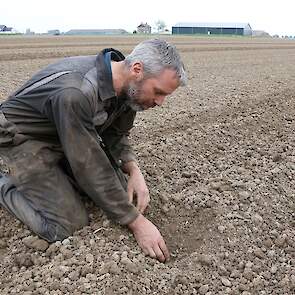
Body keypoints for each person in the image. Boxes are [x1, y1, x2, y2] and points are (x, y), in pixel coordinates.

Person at [0, 38, 186, 262]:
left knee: (121, 193)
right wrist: (137, 223)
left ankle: (59, 176)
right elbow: (87, 163)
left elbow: (116, 135)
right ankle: (6, 183)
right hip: (22, 138)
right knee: (66, 226)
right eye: (158, 92)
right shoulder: (76, 92)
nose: (160, 102)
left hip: (63, 135)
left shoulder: (128, 89)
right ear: (137, 69)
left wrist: (134, 170)